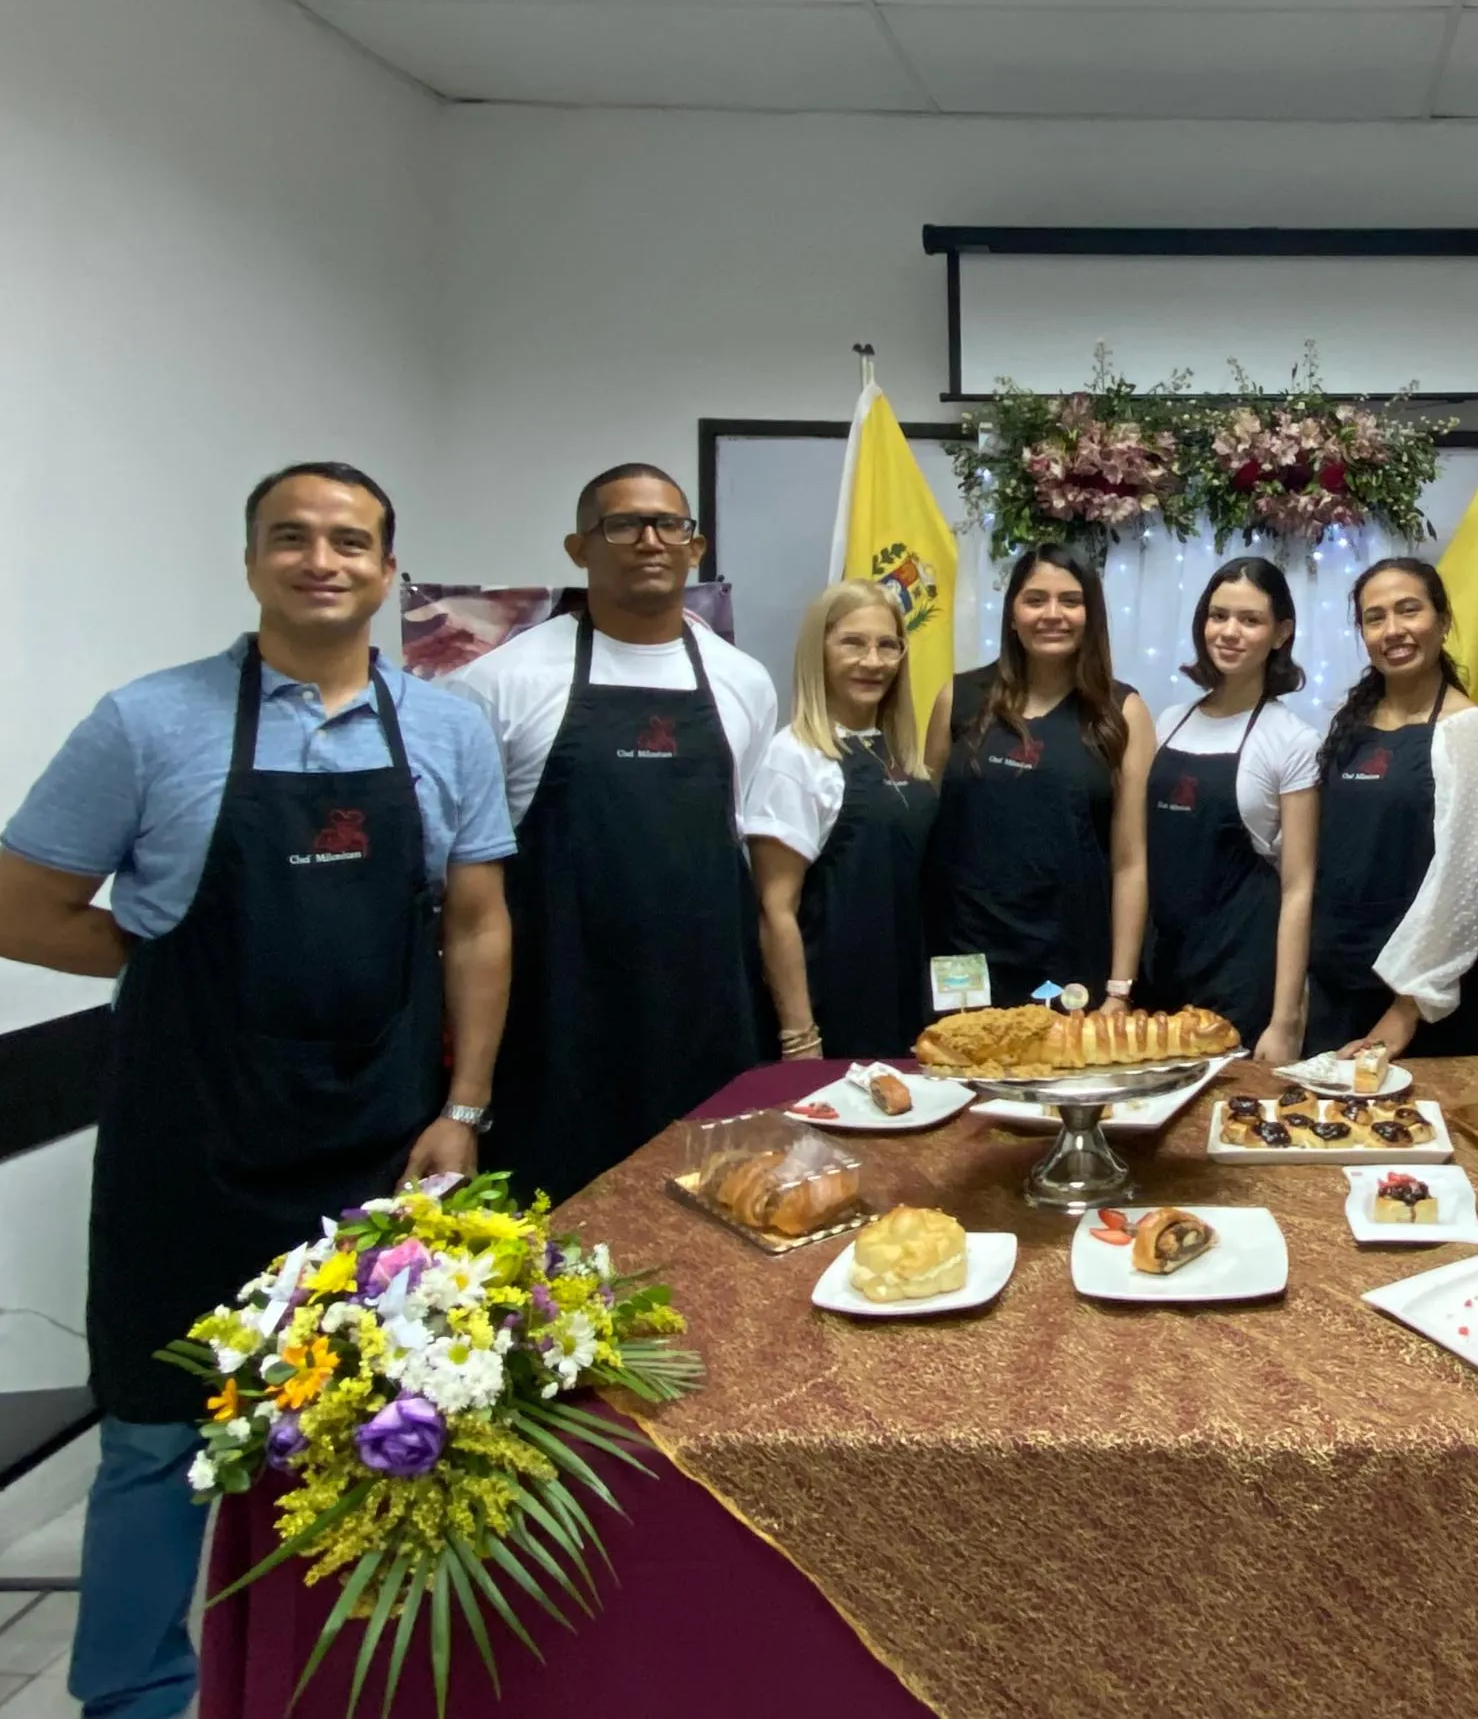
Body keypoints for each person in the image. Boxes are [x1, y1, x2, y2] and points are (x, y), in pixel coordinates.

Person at [0, 462, 514, 1719]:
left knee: (382, 1424)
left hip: (379, 1133)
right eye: (293, 537)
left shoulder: (444, 730)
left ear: (389, 572)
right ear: (251, 561)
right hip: (191, 1137)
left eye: (350, 541)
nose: (321, 560)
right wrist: (173, 959)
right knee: (158, 1429)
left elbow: (481, 928)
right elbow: (15, 908)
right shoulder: (146, 722)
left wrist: (468, 1106)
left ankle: (352, 1681)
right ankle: (132, 1691)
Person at [446, 463, 778, 1204]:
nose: (650, 540)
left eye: (670, 525)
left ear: (696, 548)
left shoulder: (744, 682)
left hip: (704, 1022)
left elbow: (737, 841)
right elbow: (470, 886)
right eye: (623, 524)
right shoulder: (498, 684)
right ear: (578, 548)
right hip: (559, 1024)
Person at [923, 543, 1156, 1009]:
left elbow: (1131, 863)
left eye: (1070, 601)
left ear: (1091, 615)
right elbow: (929, 829)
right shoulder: (959, 698)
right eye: (1035, 600)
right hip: (963, 958)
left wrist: (1119, 988)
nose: (1053, 614)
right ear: (1012, 614)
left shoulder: (1122, 712)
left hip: (1070, 965)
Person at [1308, 557, 1478, 1059]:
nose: (1393, 630)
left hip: (1426, 1003)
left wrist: (1406, 1008)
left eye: (1408, 610)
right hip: (1340, 986)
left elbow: (1465, 881)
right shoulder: (1344, 721)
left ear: (1443, 621)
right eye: (1375, 618)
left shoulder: (1473, 731)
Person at [744, 580, 938, 1060]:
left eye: (887, 645)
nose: (873, 661)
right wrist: (800, 1036)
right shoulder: (794, 758)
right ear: (818, 650)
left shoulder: (901, 754)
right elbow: (775, 911)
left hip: (908, 1004)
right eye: (852, 642)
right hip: (836, 1014)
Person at [1142, 557, 1323, 1061]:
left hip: (1242, 981)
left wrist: (1285, 1021)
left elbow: (1299, 887)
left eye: (1250, 620)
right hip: (1162, 972)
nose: (1229, 632)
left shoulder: (1293, 740)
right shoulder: (1168, 721)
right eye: (1218, 616)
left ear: (1281, 632)